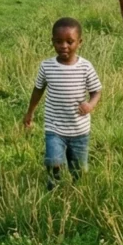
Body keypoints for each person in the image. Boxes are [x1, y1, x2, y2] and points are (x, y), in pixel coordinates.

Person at [23, 17, 102, 190]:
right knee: (53, 161)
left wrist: (90, 105)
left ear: (79, 42)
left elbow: (96, 91)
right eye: (58, 41)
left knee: (79, 170)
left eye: (69, 41)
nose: (64, 46)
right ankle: (54, 186)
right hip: (55, 127)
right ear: (52, 42)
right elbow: (38, 90)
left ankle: (77, 192)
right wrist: (30, 112)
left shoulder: (85, 67)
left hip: (79, 129)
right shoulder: (47, 66)